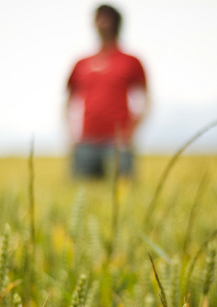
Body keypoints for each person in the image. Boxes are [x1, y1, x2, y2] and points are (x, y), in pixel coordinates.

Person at [66, 4, 149, 179]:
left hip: (118, 143)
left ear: (116, 23)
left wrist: (132, 132)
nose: (101, 23)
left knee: (122, 195)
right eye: (98, 18)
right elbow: (68, 100)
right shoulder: (81, 63)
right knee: (82, 195)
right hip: (85, 142)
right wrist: (71, 135)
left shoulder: (131, 61)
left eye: (106, 18)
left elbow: (145, 98)